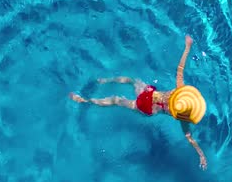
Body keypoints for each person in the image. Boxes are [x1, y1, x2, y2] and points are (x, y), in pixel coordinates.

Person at [69, 35, 208, 170]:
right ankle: (101, 85)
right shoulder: (182, 117)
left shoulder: (180, 88)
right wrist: (201, 154)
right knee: (127, 88)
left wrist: (187, 47)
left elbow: (180, 69)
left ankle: (86, 98)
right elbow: (189, 136)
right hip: (149, 104)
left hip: (147, 102)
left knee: (122, 93)